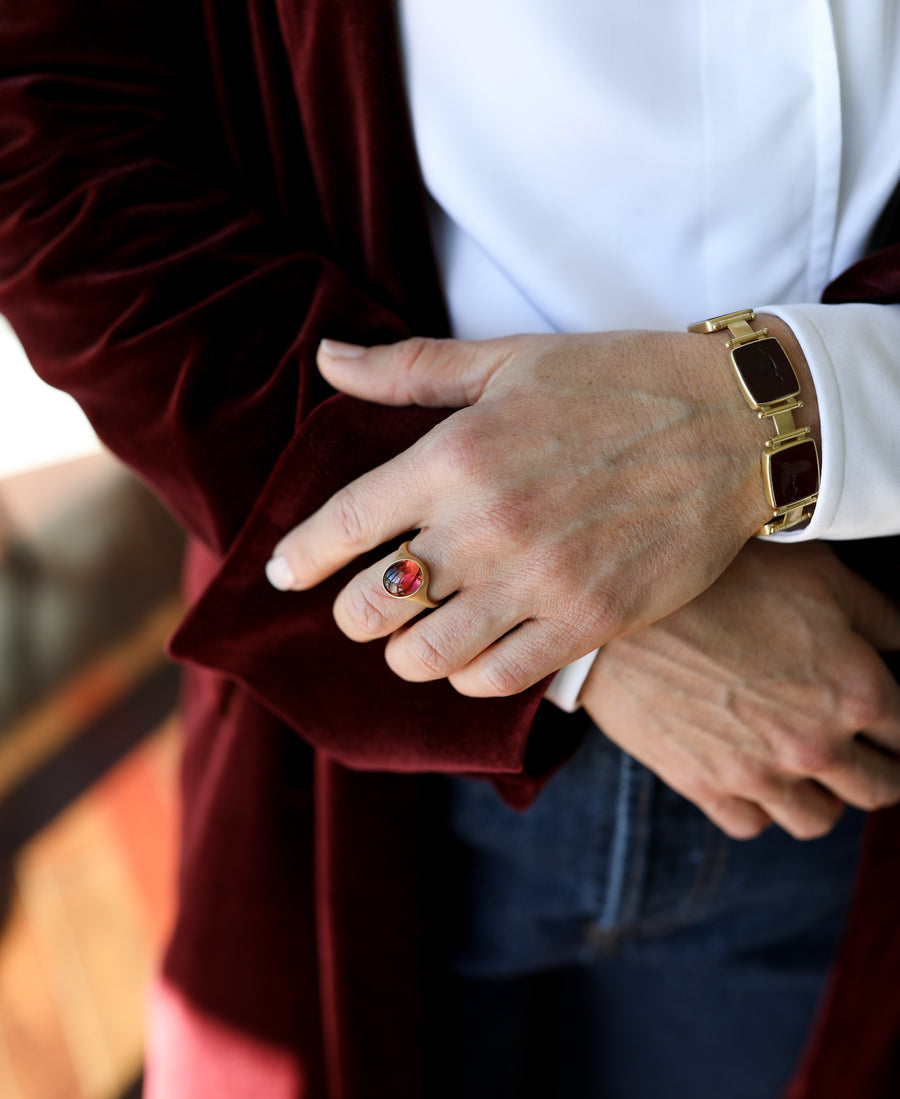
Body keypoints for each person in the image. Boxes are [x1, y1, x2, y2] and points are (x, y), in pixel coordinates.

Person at [0, 2, 899, 1097]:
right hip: (371, 752)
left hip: (840, 709)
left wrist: (796, 409)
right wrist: (577, 629)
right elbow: (42, 127)